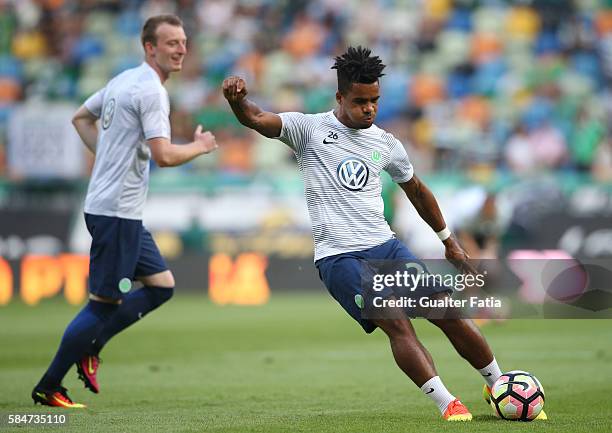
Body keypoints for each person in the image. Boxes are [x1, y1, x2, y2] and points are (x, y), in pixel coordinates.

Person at [222, 46, 546, 421]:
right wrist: (238, 100)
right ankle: (448, 403)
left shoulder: (386, 144)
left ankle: (499, 383)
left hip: (386, 247)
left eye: (375, 100)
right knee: (396, 321)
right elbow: (257, 118)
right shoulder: (308, 130)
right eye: (360, 101)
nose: (369, 108)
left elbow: (418, 191)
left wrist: (449, 241)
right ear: (340, 97)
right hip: (340, 257)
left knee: (447, 311)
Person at [32, 14, 218, 408]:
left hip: (119, 211)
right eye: (171, 43)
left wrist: (108, 158)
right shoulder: (151, 91)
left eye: (183, 42)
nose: (181, 48)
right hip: (116, 212)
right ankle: (50, 384)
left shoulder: (122, 81)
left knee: (162, 285)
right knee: (104, 304)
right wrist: (200, 147)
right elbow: (164, 156)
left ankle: (91, 343)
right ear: (150, 48)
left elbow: (80, 117)